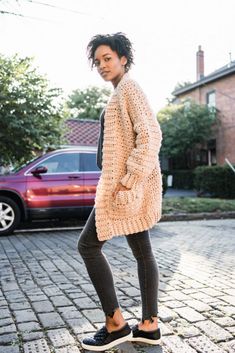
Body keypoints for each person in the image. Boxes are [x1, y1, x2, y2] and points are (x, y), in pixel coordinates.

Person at [77, 32, 162, 352]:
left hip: (122, 189)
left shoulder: (129, 89)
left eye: (107, 58)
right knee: (143, 252)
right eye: (97, 61)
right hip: (123, 188)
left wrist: (129, 180)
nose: (101, 65)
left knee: (87, 245)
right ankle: (149, 326)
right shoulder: (119, 93)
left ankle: (115, 325)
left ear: (123, 58)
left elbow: (151, 135)